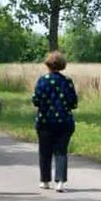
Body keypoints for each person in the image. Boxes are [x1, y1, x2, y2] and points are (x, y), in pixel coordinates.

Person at [32, 51, 78, 193]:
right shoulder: (67, 82)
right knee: (61, 151)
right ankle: (60, 181)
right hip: (64, 122)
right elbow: (73, 102)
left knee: (45, 151)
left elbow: (36, 100)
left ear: (48, 64)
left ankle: (45, 180)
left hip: (45, 121)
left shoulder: (42, 80)